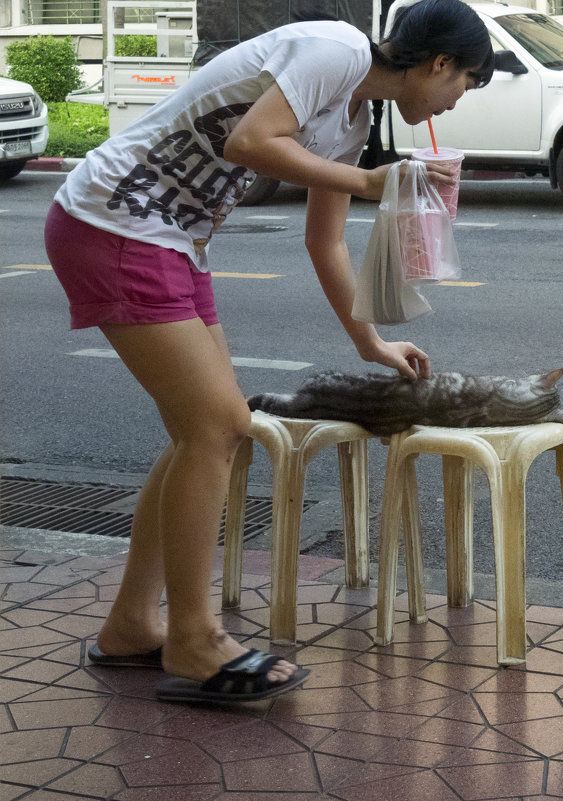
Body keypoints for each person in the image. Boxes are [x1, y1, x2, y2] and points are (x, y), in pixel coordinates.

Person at [44, 0, 493, 704]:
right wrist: (375, 182)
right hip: (117, 220)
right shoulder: (334, 50)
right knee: (218, 427)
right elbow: (250, 142)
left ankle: (133, 623)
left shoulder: (351, 118)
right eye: (465, 82)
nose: (457, 98)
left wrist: (370, 340)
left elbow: (324, 240)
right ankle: (192, 638)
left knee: (200, 432)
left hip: (171, 240)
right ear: (438, 63)